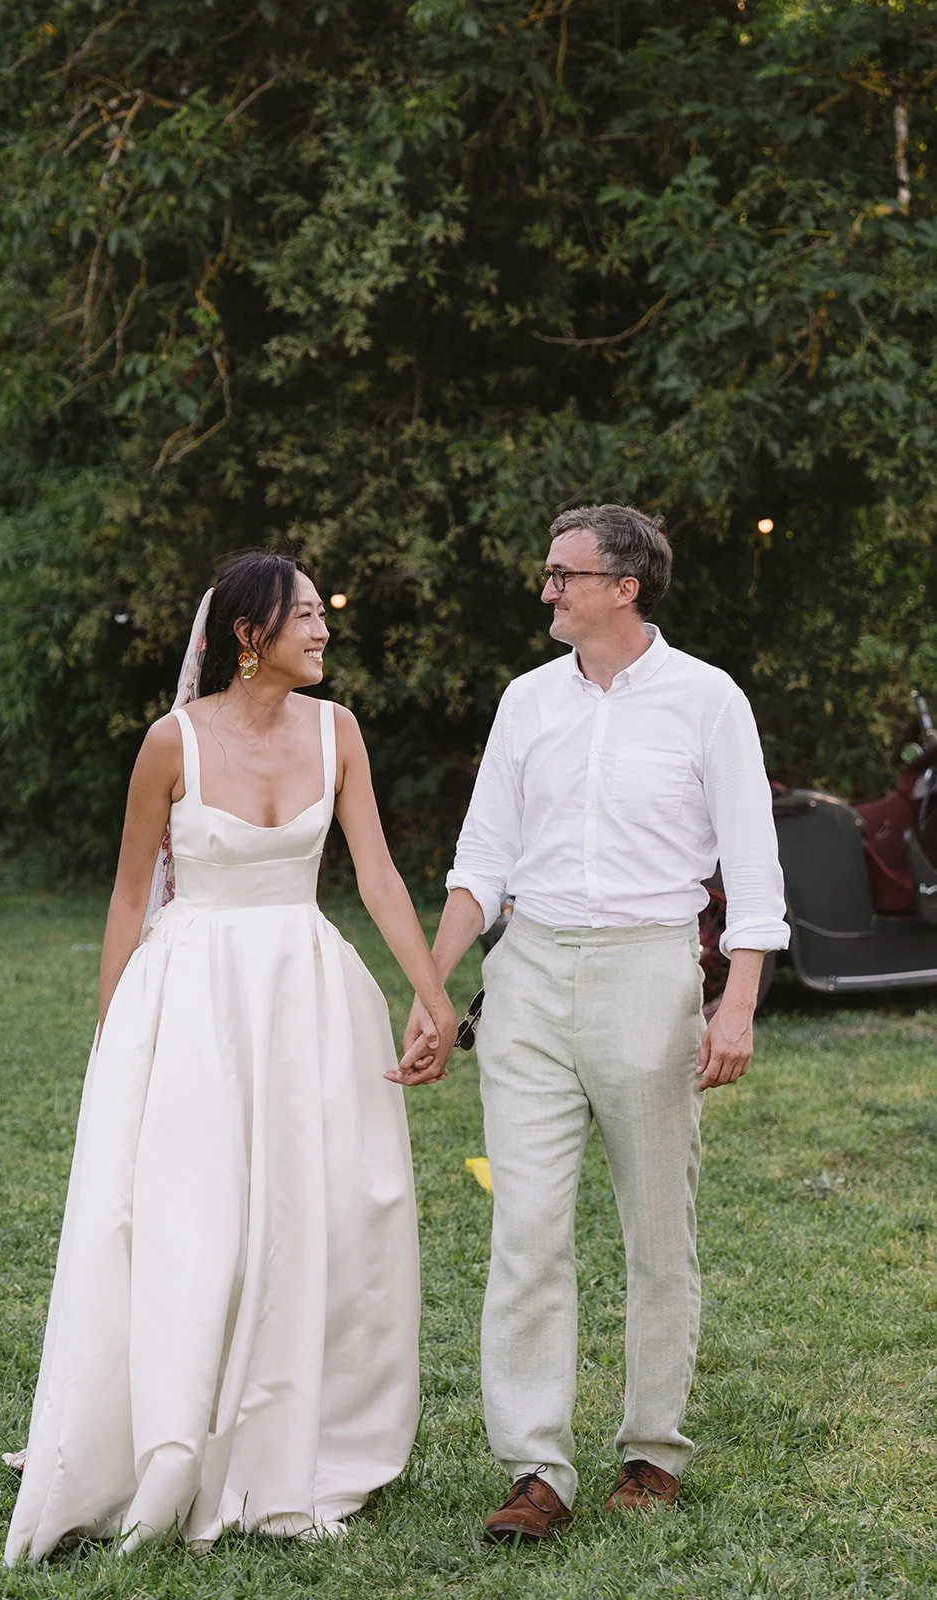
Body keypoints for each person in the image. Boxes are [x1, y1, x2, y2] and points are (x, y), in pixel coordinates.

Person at [5, 550, 455, 1565]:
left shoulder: (340, 733)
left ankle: (282, 1433)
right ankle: (165, 1437)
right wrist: (115, 1035)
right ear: (246, 636)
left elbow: (376, 873)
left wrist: (433, 1001)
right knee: (191, 1214)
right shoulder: (171, 743)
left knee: (310, 1209)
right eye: (301, 616)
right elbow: (129, 896)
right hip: (194, 997)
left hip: (302, 993)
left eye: (321, 613)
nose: (322, 629)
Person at [404, 504, 788, 1539]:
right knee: (525, 1230)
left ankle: (651, 1449)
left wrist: (736, 998)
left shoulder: (706, 700)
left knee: (657, 1226)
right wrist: (433, 985)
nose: (546, 591)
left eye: (562, 574)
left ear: (623, 586)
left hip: (648, 973)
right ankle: (536, 1469)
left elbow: (751, 865)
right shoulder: (525, 702)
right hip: (525, 976)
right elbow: (480, 860)